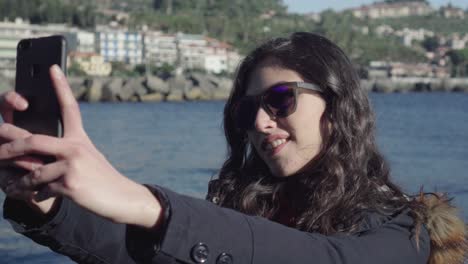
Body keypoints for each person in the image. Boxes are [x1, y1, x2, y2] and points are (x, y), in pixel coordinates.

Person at [0, 32, 466, 264]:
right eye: (248, 111)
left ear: (337, 103)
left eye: (281, 100)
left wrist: (147, 202)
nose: (262, 122)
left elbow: (327, 259)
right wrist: (47, 202)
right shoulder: (247, 209)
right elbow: (145, 252)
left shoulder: (408, 227)